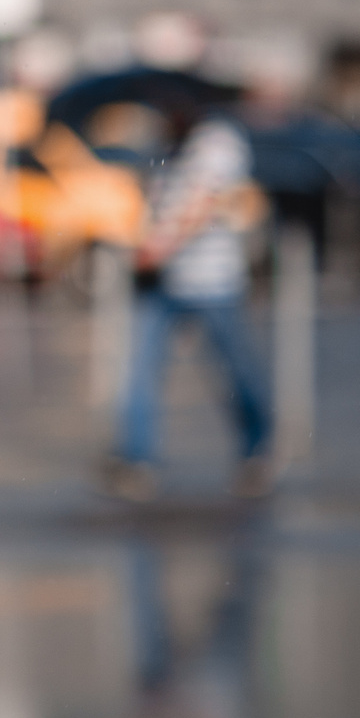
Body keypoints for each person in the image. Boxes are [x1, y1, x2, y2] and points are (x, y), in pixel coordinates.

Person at [101, 113, 275, 503]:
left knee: (235, 371)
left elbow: (203, 205)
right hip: (162, 284)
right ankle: (137, 460)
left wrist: (158, 249)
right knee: (141, 373)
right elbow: (155, 204)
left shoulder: (217, 141)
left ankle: (257, 449)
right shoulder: (162, 145)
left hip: (212, 281)